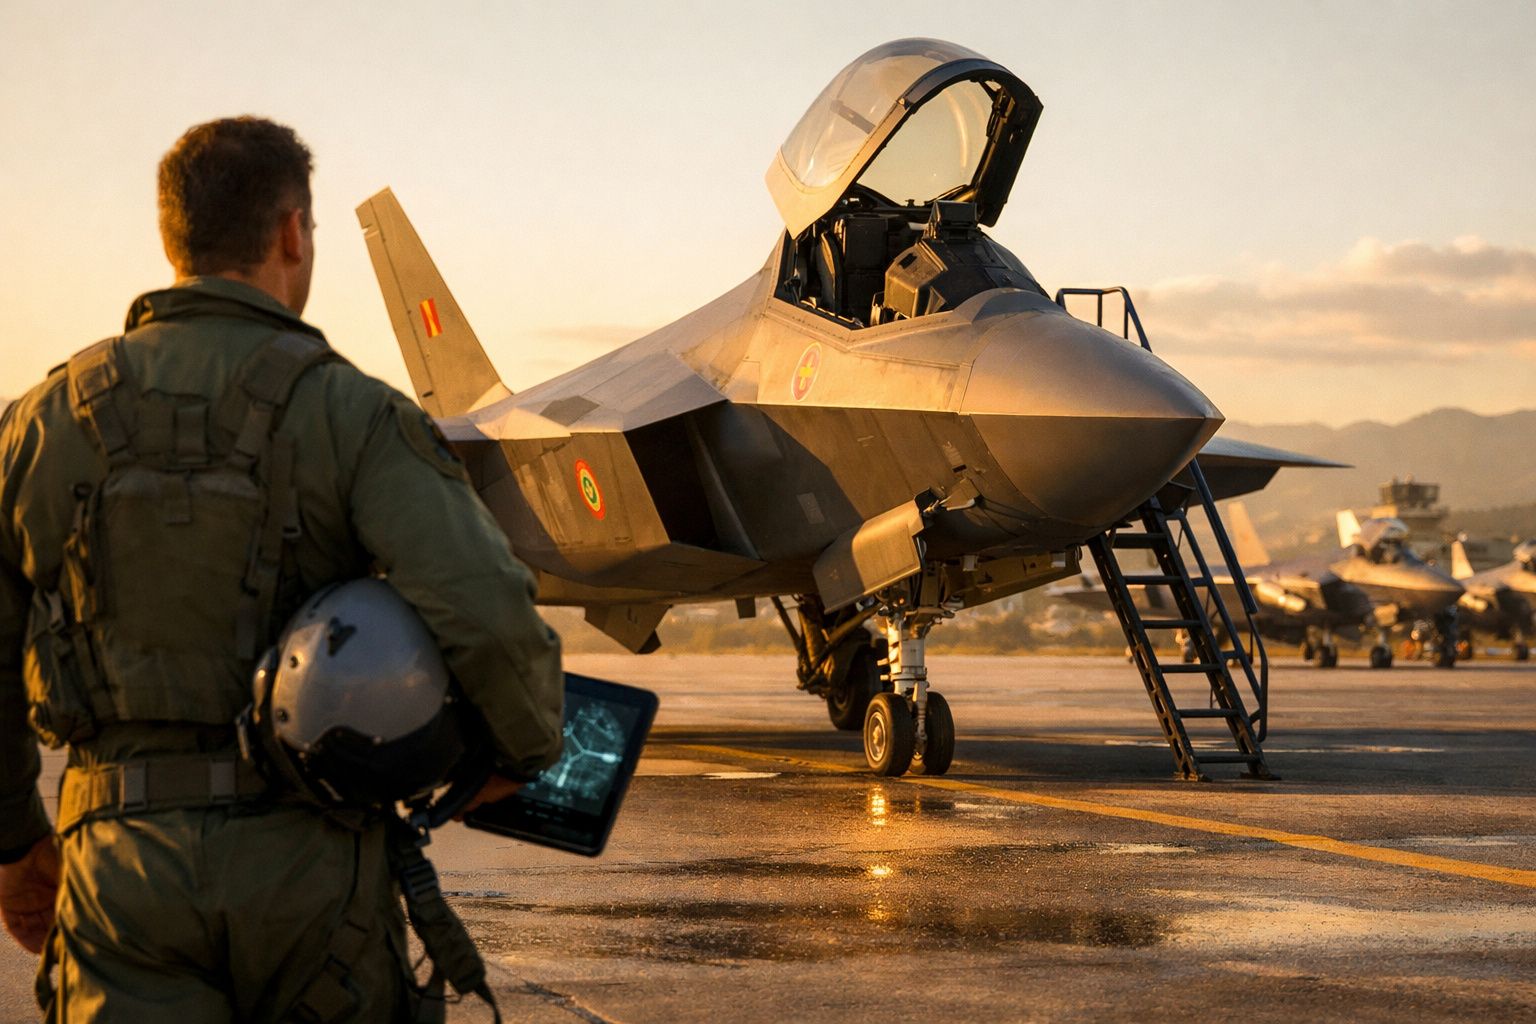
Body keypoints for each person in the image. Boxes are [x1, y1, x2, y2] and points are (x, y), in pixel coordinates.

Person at [0, 116, 563, 1021]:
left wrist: (13, 840)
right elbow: (483, 601)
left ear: (172, 236)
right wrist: (523, 752)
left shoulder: (38, 423)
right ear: (291, 232)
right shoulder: (353, 413)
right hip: (313, 874)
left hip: (118, 869)